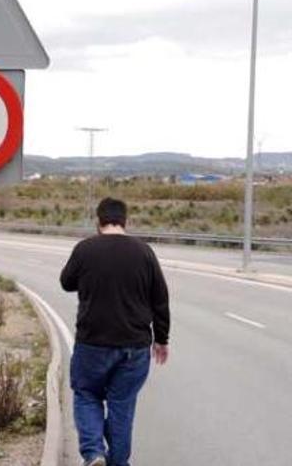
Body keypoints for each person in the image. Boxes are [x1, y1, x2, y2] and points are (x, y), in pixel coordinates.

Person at [60, 197, 170, 466]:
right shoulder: (144, 252)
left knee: (87, 395)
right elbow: (160, 298)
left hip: (93, 343)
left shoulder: (85, 249)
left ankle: (94, 453)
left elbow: (66, 282)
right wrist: (162, 339)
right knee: (122, 405)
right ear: (125, 221)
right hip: (135, 346)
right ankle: (118, 462)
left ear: (98, 221)